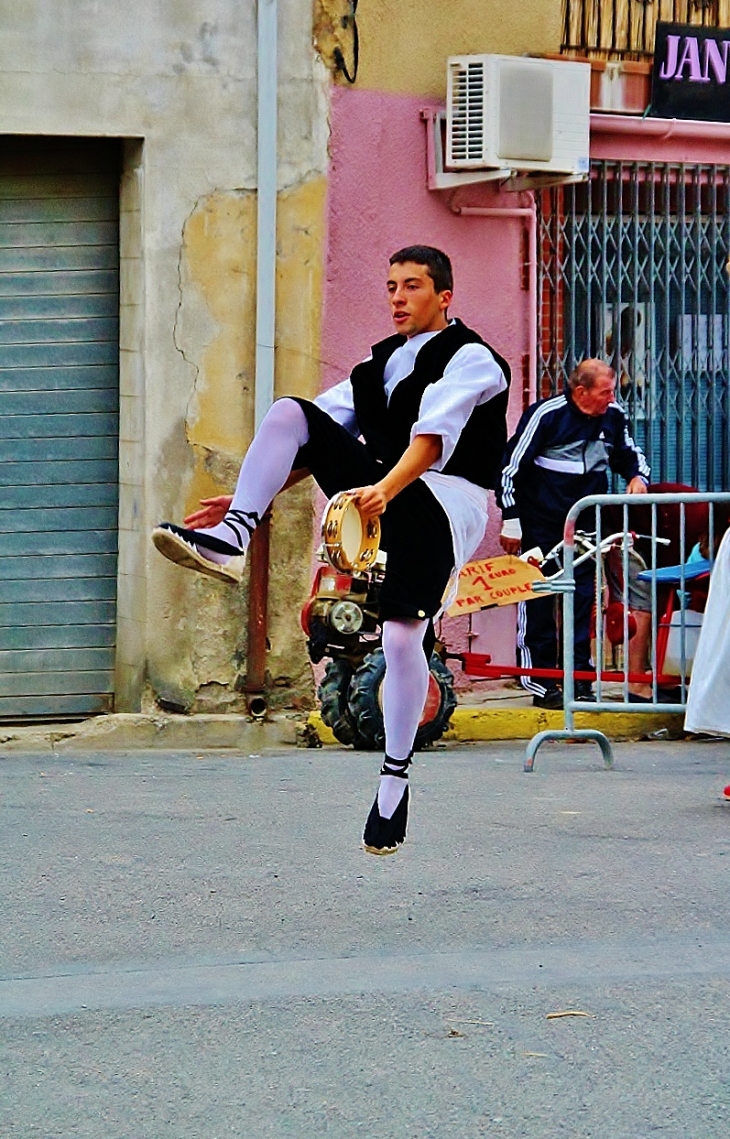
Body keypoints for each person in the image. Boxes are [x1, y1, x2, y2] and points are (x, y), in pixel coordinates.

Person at [152, 245, 510, 854]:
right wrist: (252, 499)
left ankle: (394, 782)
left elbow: (431, 440)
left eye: (413, 286)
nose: (398, 296)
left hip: (446, 502)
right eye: (391, 285)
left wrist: (383, 490)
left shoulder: (473, 358)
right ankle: (233, 536)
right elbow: (311, 436)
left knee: (401, 637)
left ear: (444, 297)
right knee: (294, 411)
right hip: (389, 489)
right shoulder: (377, 368)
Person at [497, 358, 650, 708]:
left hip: (584, 525)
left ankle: (579, 677)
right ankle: (542, 681)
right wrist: (511, 519)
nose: (611, 398)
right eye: (605, 392)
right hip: (541, 523)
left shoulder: (613, 416)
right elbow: (509, 469)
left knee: (582, 597)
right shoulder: (547, 415)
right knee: (539, 597)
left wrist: (637, 477)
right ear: (581, 391)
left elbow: (629, 455)